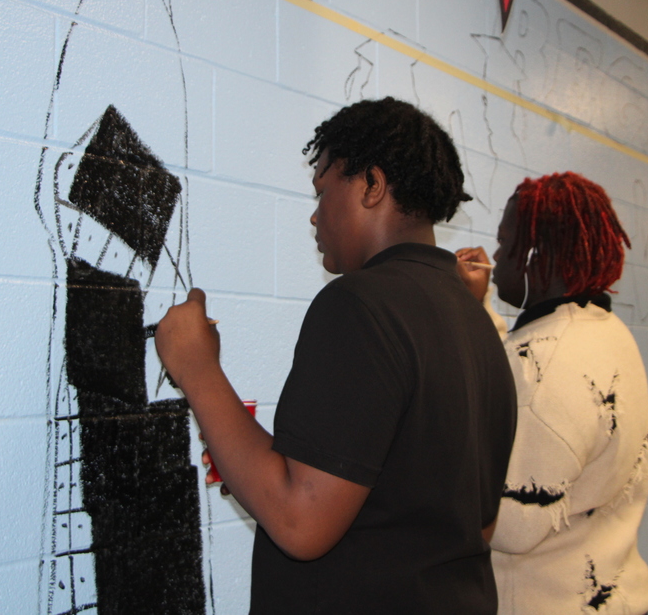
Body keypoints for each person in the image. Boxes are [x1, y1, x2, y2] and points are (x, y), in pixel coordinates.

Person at [155, 97, 517, 614]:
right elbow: (467, 519)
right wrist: (263, 471)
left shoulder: (359, 305)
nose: (314, 214)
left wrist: (196, 367)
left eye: (323, 191)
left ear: (372, 185)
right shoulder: (475, 321)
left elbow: (301, 522)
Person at [457, 172, 648, 615]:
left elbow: (512, 525)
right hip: (608, 596)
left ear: (534, 253)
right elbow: (525, 377)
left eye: (504, 240)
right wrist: (480, 310)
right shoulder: (602, 331)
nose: (494, 256)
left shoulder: (551, 364)